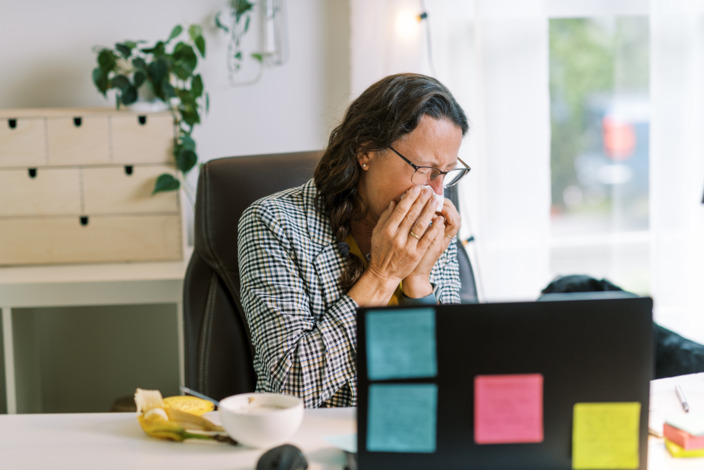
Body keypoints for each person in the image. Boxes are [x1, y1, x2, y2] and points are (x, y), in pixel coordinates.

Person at [238, 73, 470, 407]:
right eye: (424, 169)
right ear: (366, 150)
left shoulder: (433, 229)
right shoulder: (273, 224)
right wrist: (383, 276)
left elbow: (449, 381)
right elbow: (288, 391)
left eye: (446, 172)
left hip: (406, 428)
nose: (436, 192)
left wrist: (417, 282)